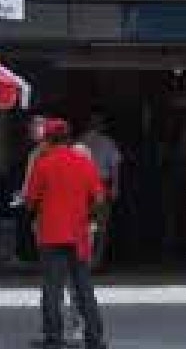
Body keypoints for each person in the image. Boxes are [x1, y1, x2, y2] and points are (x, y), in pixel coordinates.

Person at [25, 118, 108, 349]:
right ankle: (94, 336)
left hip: (51, 234)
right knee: (83, 285)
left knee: (52, 287)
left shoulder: (43, 164)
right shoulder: (84, 163)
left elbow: (31, 201)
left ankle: (53, 336)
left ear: (49, 140)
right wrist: (86, 213)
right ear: (68, 138)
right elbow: (99, 198)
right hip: (78, 233)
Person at [77, 113, 121, 269]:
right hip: (101, 185)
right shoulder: (108, 142)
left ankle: (83, 259)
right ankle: (96, 260)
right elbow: (115, 166)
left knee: (83, 223)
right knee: (101, 225)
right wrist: (115, 186)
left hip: (82, 187)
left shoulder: (80, 142)